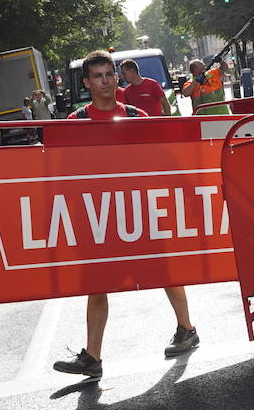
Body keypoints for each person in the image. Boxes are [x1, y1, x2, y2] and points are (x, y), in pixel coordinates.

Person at [53, 50, 199, 379]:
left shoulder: (135, 116)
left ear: (115, 77)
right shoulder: (75, 123)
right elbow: (64, 173)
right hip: (99, 217)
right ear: (87, 82)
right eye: (98, 76)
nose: (105, 81)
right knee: (97, 283)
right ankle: (93, 357)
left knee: (165, 272)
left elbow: (161, 162)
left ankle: (187, 329)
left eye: (109, 74)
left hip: (139, 212)